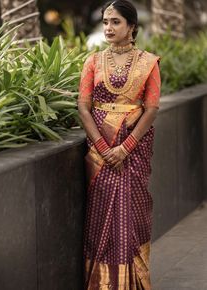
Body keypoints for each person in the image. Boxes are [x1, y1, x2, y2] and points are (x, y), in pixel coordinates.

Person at [78, 0, 161, 289]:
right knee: (102, 217)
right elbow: (84, 106)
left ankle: (132, 282)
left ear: (131, 27)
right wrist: (102, 147)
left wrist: (125, 148)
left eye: (115, 22)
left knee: (129, 214)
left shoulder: (148, 62)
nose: (109, 28)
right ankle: (102, 283)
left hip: (133, 149)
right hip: (99, 152)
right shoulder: (92, 61)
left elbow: (150, 109)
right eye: (105, 22)